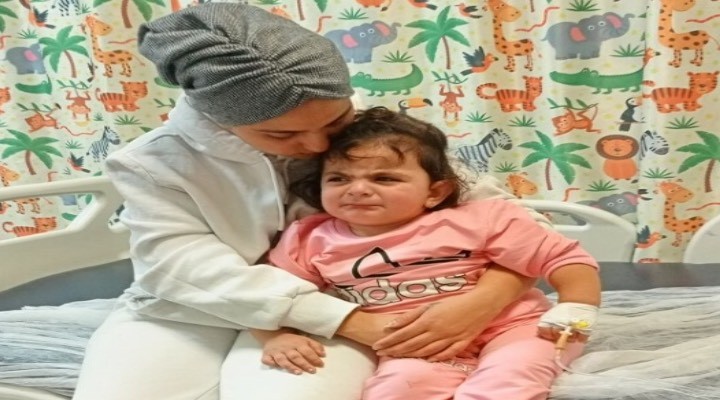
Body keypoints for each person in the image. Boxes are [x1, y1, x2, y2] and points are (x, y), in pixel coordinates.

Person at [73, 4, 550, 400]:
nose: (320, 146)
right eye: (282, 134)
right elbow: (179, 266)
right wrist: (350, 322)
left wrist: (486, 299)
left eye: (337, 121)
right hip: (199, 312)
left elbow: (517, 225)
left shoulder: (381, 137)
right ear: (218, 119)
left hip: (352, 301)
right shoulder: (152, 163)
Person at [255, 107, 601, 400]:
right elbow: (270, 295)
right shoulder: (309, 239)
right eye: (338, 179)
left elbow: (565, 259)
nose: (357, 189)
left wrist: (576, 307)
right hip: (414, 347)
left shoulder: (480, 218)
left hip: (513, 329)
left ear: (435, 192)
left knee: (507, 379)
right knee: (395, 388)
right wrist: (275, 337)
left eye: (384, 179)